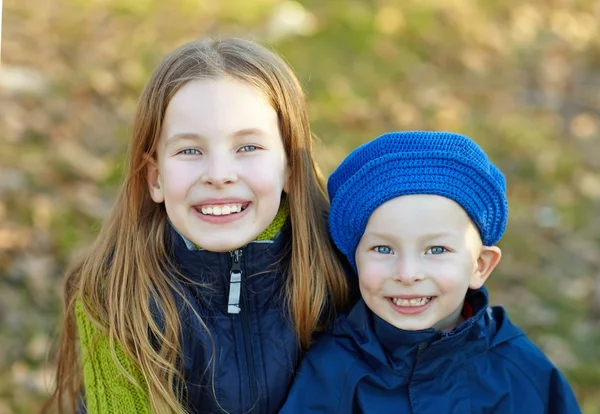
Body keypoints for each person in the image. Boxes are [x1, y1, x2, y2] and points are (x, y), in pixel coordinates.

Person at [43, 37, 354, 414]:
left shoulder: (340, 267)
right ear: (154, 177)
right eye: (190, 150)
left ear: (290, 166)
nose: (219, 175)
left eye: (248, 147)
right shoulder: (116, 294)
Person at [280, 131, 581, 413]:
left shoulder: (522, 373)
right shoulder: (331, 372)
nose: (408, 274)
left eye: (436, 250)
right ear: (354, 261)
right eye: (383, 249)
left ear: (479, 265)